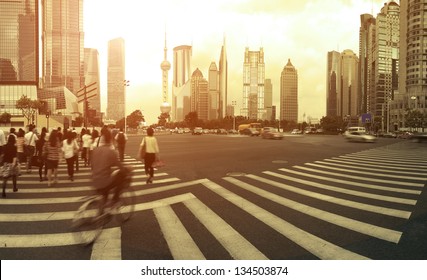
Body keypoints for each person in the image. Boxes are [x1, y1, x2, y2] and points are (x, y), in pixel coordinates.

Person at [91, 127, 127, 214]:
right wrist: (126, 171)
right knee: (121, 177)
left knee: (104, 194)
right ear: (110, 139)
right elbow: (119, 166)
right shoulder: (110, 151)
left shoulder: (95, 150)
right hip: (104, 181)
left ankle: (100, 214)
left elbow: (93, 165)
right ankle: (115, 199)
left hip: (94, 180)